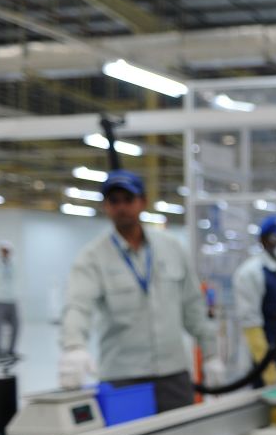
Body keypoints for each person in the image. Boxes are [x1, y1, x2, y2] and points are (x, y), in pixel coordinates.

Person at [58, 169, 225, 412]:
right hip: (123, 379)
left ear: (143, 202)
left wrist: (211, 354)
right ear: (106, 206)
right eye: (114, 201)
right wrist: (74, 346)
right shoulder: (92, 258)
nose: (122, 207)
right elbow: (78, 305)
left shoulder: (172, 248)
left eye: (128, 199)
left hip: (174, 376)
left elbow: (193, 307)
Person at [233, 215, 276, 387]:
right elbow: (251, 327)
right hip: (264, 361)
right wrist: (269, 373)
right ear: (264, 241)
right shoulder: (251, 273)